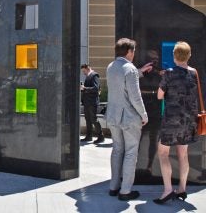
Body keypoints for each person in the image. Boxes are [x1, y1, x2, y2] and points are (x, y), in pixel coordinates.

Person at [154, 42, 198, 204]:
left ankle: (167, 191)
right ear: (189, 55)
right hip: (189, 120)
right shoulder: (194, 73)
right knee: (183, 154)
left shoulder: (169, 73)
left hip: (172, 120)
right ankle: (182, 189)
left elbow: (160, 95)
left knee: (163, 153)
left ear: (174, 56)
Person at [106, 38, 148, 201]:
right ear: (129, 52)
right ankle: (125, 191)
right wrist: (144, 115)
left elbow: (121, 80)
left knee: (117, 151)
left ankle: (113, 187)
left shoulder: (111, 66)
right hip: (129, 118)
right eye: (134, 51)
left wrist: (140, 71)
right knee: (131, 153)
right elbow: (135, 97)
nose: (134, 53)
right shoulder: (129, 69)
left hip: (113, 116)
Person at [80, 64, 104, 143]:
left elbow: (96, 88)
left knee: (94, 119)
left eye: (84, 71)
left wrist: (85, 88)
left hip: (92, 102)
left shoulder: (94, 75)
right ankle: (89, 136)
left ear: (88, 68)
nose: (83, 73)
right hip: (87, 102)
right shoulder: (88, 76)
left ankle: (101, 136)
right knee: (88, 119)